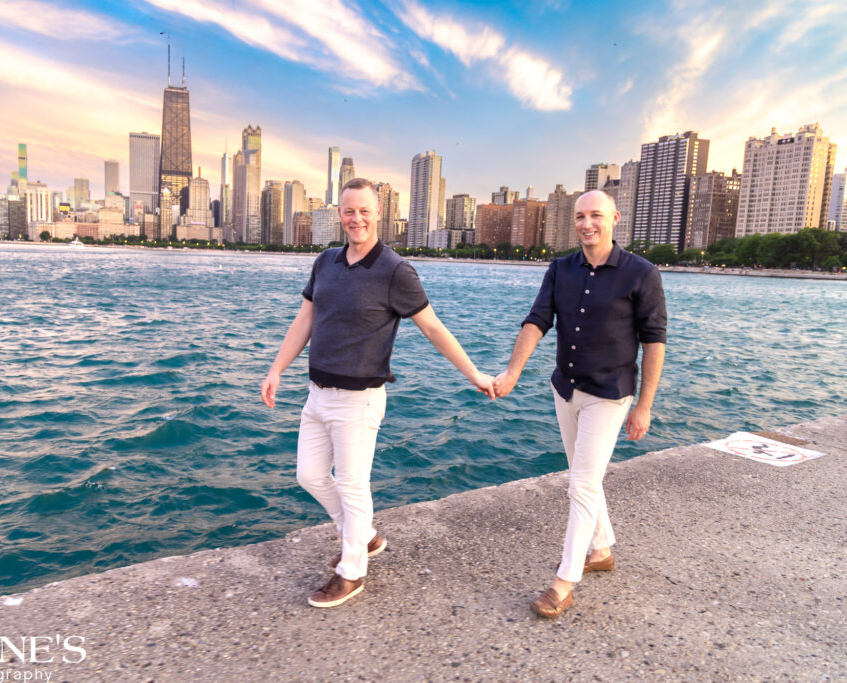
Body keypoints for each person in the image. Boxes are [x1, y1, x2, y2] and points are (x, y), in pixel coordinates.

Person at [261, 178, 496, 608]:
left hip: (360, 398)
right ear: (339, 214)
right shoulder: (325, 262)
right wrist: (276, 369)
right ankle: (364, 536)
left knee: (352, 484)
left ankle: (352, 572)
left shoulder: (395, 270)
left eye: (364, 211)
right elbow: (304, 322)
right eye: (349, 211)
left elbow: (432, 327)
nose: (357, 219)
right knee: (309, 476)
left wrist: (474, 373)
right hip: (317, 393)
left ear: (379, 212)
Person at [493, 190, 667, 618]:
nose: (587, 224)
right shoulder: (560, 269)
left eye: (596, 216)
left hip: (610, 394)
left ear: (614, 219)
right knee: (584, 478)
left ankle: (564, 581)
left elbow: (654, 342)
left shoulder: (642, 274)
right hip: (565, 389)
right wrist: (513, 372)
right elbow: (537, 320)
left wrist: (644, 406)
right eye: (580, 217)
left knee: (582, 485)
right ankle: (601, 550)